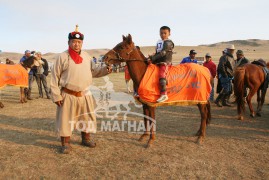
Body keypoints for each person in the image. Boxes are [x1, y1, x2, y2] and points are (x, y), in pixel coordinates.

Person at [50, 25, 112, 154]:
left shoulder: (87, 56)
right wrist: (56, 95)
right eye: (74, 42)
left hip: (85, 94)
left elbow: (94, 71)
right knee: (66, 120)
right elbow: (54, 77)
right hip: (68, 94)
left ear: (82, 43)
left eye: (79, 42)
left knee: (87, 118)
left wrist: (105, 70)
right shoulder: (62, 57)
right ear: (69, 42)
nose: (76, 44)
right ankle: (65, 143)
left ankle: (86, 139)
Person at [148, 26, 174, 103]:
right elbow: (157, 52)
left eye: (165, 33)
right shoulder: (159, 42)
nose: (163, 35)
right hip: (158, 62)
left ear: (169, 33)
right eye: (161, 33)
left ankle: (164, 94)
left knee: (162, 75)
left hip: (165, 62)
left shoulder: (168, 42)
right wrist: (151, 57)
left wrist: (153, 58)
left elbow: (163, 53)